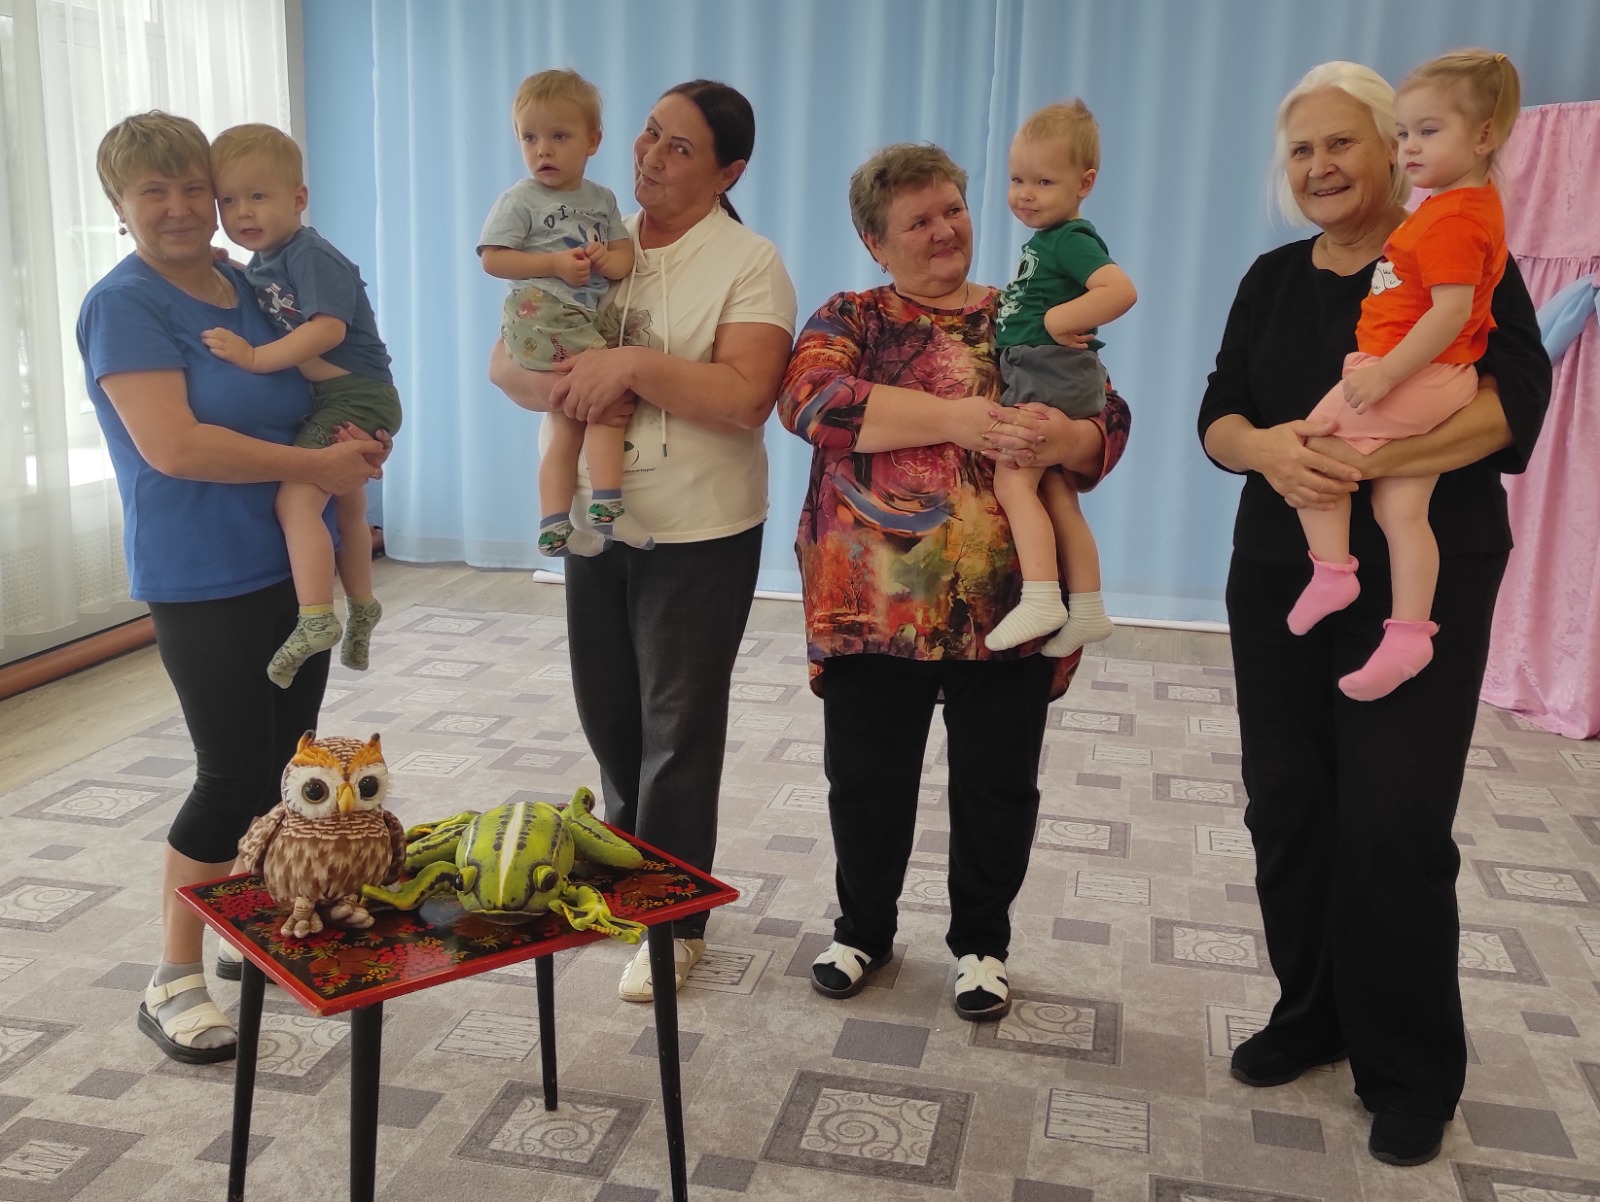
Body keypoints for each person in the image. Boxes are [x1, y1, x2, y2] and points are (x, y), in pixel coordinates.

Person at [1197, 62, 1549, 1166]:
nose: (1321, 167)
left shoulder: (1456, 250)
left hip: (1419, 583)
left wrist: (1367, 464)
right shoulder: (1270, 277)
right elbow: (1220, 413)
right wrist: (1267, 450)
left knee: (1392, 823)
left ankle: (1409, 1067)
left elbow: (1513, 404)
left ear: (1396, 147)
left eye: (1343, 142)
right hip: (1283, 574)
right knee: (1288, 805)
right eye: (1302, 149)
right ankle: (1312, 1013)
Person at [777, 144, 1131, 1021]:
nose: (944, 231)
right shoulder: (852, 315)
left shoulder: (1025, 307)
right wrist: (957, 418)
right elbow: (813, 400)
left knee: (998, 786)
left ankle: (982, 945)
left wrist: (1067, 439)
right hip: (871, 606)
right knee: (867, 782)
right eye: (918, 221)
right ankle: (862, 930)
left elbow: (1106, 413)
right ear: (875, 241)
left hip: (1009, 605)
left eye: (953, 210)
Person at [77, 112, 385, 1063]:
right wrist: (319, 471)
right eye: (153, 192)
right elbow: (174, 446)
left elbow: (327, 376)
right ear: (119, 205)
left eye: (191, 187)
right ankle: (172, 977)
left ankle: (245, 924)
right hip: (200, 569)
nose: (178, 208)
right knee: (229, 773)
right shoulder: (125, 304)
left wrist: (359, 438)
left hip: (293, 564)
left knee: (284, 769)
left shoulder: (254, 284)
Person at [490, 80, 797, 1002]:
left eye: (680, 148)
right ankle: (630, 878)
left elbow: (746, 396)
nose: (650, 157)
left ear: (729, 172)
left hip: (700, 529)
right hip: (597, 520)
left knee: (678, 731)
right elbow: (507, 362)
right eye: (650, 135)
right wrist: (576, 382)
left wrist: (629, 365)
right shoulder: (589, 236)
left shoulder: (749, 263)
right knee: (611, 717)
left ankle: (673, 922)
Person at [1290, 51, 1522, 701]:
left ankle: (1332, 570)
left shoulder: (1453, 219)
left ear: (1484, 136)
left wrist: (1386, 375)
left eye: (1428, 131)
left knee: (1311, 446)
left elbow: (1449, 314)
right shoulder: (1458, 207)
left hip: (1419, 375)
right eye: (1404, 132)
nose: (1410, 147)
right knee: (1401, 508)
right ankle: (1410, 633)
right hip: (1437, 377)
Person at [200, 123, 403, 688]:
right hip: (340, 396)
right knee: (347, 506)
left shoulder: (310, 253)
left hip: (355, 394)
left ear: (298, 198)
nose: (243, 211)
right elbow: (268, 294)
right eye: (228, 201)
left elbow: (327, 328)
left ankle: (316, 617)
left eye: (257, 196)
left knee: (296, 503)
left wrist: (255, 358)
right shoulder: (266, 262)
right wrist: (225, 266)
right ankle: (362, 604)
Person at [987, 100, 1137, 657]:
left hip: (1047, 370)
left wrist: (1056, 321)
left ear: (1084, 183)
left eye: (1044, 181)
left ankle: (1042, 597)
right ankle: (1089, 607)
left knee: (1012, 482)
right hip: (1051, 371)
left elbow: (1121, 291)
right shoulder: (1049, 239)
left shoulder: (1070, 238)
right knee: (1055, 491)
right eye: (1017, 179)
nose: (1025, 194)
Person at [477, 68, 639, 557]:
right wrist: (552, 264)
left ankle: (553, 526)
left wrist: (607, 260)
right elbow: (492, 259)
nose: (542, 150)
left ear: (593, 141)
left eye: (559, 137)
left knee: (567, 421)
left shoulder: (602, 199)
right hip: (542, 311)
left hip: (571, 318)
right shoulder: (520, 199)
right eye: (530, 138)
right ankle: (608, 508)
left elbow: (624, 257)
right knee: (607, 399)